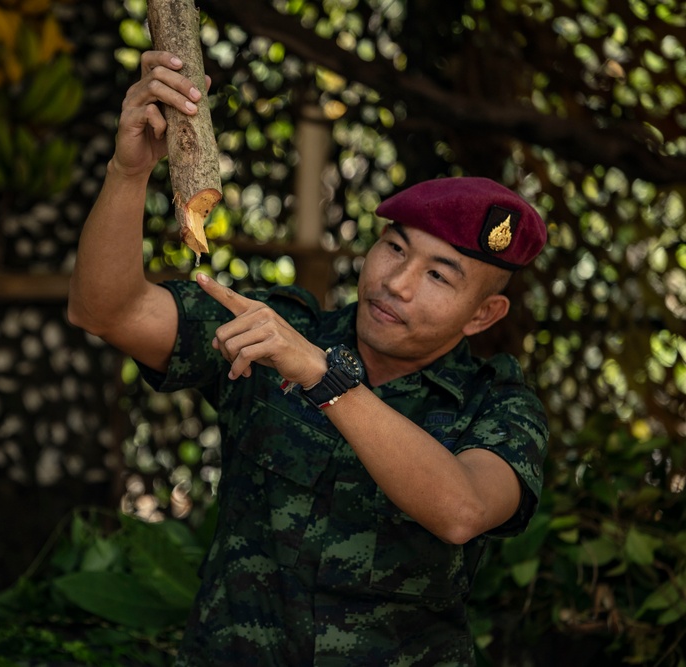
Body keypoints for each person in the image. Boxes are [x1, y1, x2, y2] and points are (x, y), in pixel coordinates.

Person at [67, 50, 549, 667]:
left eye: (438, 276)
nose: (398, 282)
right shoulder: (278, 331)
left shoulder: (499, 404)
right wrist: (128, 172)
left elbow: (462, 510)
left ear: (482, 316)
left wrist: (326, 376)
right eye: (394, 248)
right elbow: (107, 312)